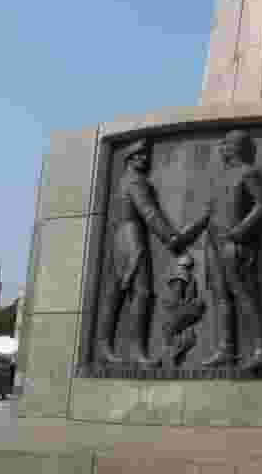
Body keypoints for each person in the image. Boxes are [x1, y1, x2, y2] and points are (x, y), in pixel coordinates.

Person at [96, 139, 211, 366]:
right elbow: (149, 213)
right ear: (129, 159)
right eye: (139, 156)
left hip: (121, 236)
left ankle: (105, 347)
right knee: (141, 292)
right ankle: (135, 351)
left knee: (115, 292)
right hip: (131, 237)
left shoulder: (124, 181)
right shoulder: (136, 181)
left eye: (146, 155)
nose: (145, 159)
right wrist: (172, 239)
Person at [202, 130, 262, 374]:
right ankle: (226, 349)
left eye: (225, 145)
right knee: (221, 296)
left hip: (234, 244)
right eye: (221, 145)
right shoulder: (220, 177)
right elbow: (209, 213)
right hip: (213, 243)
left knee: (244, 295)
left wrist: (240, 231)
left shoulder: (249, 173)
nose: (221, 149)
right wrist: (183, 236)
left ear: (235, 148)